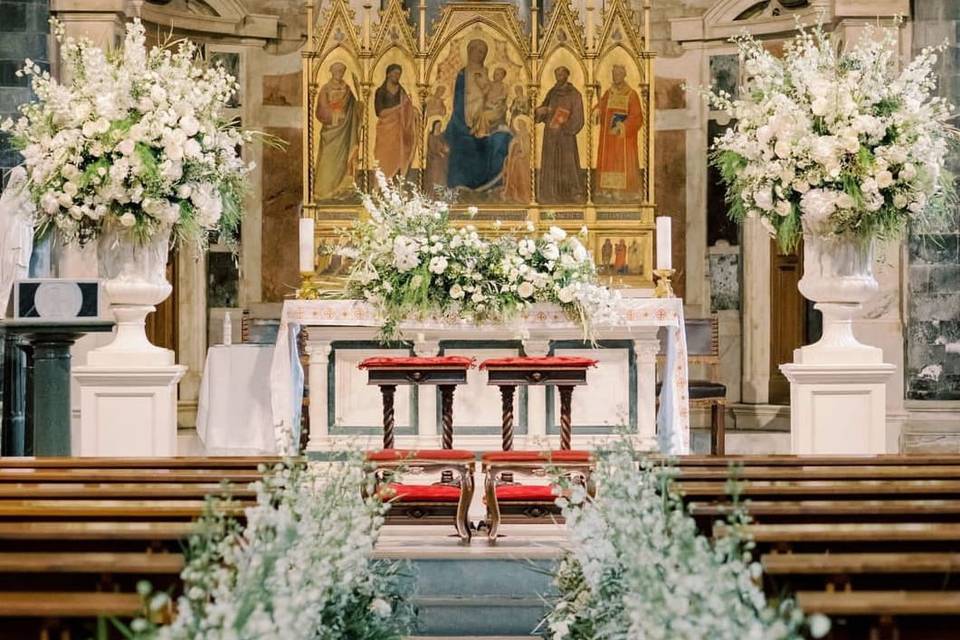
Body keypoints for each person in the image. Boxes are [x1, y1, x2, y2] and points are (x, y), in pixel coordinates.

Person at [444, 39, 513, 191]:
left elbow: (493, 95)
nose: (480, 55)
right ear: (469, 51)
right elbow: (458, 100)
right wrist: (463, 121)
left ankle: (493, 185)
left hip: (488, 119)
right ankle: (461, 185)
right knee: (463, 141)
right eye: (477, 50)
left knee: (501, 140)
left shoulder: (487, 73)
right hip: (464, 120)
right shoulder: (463, 73)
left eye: (483, 52)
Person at [535, 66, 584, 203]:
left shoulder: (574, 94)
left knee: (569, 163)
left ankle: (574, 193)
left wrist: (565, 124)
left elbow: (578, 117)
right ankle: (549, 194)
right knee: (551, 163)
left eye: (561, 74)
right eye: (556, 74)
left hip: (566, 136)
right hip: (551, 135)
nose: (559, 76)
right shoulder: (552, 92)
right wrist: (540, 111)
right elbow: (543, 109)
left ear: (567, 75)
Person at [595, 64, 643, 200]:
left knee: (623, 162)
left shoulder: (631, 94)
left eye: (618, 74)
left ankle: (623, 192)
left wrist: (622, 126)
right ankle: (607, 189)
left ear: (623, 75)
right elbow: (602, 108)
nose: (615, 77)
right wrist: (598, 109)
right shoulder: (608, 92)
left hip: (623, 138)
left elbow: (637, 117)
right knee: (608, 161)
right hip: (609, 139)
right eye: (613, 74)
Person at [314, 62, 360, 201]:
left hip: (345, 131)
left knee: (342, 160)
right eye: (337, 71)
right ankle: (323, 191)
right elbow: (320, 110)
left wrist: (359, 107)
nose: (339, 74)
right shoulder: (325, 89)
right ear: (332, 72)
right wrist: (334, 115)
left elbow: (353, 109)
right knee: (327, 160)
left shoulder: (347, 89)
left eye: (342, 71)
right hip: (331, 131)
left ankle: (339, 189)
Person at [374, 64, 420, 179]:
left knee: (400, 153)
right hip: (386, 129)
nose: (397, 76)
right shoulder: (381, 92)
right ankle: (380, 182)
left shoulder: (401, 91)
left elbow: (407, 106)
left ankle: (398, 180)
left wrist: (413, 110)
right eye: (395, 73)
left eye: (399, 74)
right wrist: (399, 107)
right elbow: (380, 113)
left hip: (400, 129)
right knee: (384, 156)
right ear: (388, 74)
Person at [0, 167, 34, 317]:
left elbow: (33, 215)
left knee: (21, 271)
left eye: (25, 177)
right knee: (9, 272)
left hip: (24, 239)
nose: (23, 181)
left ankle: (19, 306)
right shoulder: (7, 197)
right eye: (20, 178)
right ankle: (5, 305)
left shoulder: (28, 196)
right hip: (11, 241)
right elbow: (6, 214)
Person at [471, 67, 509, 137]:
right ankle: (475, 128)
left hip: (498, 108)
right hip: (487, 106)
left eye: (497, 74)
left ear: (502, 76)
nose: (495, 75)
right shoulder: (490, 84)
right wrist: (478, 83)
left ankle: (482, 132)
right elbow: (484, 92)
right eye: (494, 74)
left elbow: (503, 96)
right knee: (476, 114)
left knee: (485, 115)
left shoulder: (504, 86)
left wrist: (495, 100)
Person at [502, 117, 532, 203]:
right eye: (519, 125)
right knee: (510, 163)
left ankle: (523, 194)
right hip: (516, 160)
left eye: (521, 125)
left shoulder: (527, 136)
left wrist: (519, 155)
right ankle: (514, 192)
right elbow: (512, 149)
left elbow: (526, 151)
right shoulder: (517, 137)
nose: (520, 127)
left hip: (524, 162)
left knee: (518, 165)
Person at [425, 119, 450, 193]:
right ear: (434, 126)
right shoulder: (431, 136)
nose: (439, 127)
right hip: (434, 160)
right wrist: (439, 153)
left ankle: (441, 192)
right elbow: (432, 148)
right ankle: (433, 192)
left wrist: (446, 149)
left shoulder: (442, 136)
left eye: (440, 126)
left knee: (442, 178)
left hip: (442, 161)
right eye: (438, 126)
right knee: (435, 177)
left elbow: (446, 146)